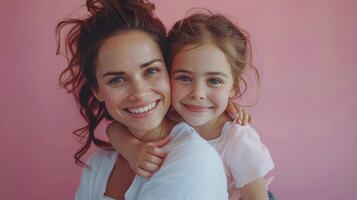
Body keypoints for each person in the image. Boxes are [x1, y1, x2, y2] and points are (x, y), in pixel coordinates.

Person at [56, 0, 231, 199]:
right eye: (118, 79)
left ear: (169, 71)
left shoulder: (193, 160)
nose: (139, 93)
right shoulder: (99, 164)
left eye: (151, 71)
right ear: (97, 90)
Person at [107, 12, 275, 200]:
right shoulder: (169, 115)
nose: (197, 93)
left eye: (214, 81)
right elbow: (114, 128)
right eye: (184, 78)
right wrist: (131, 149)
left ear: (233, 87)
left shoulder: (238, 140)